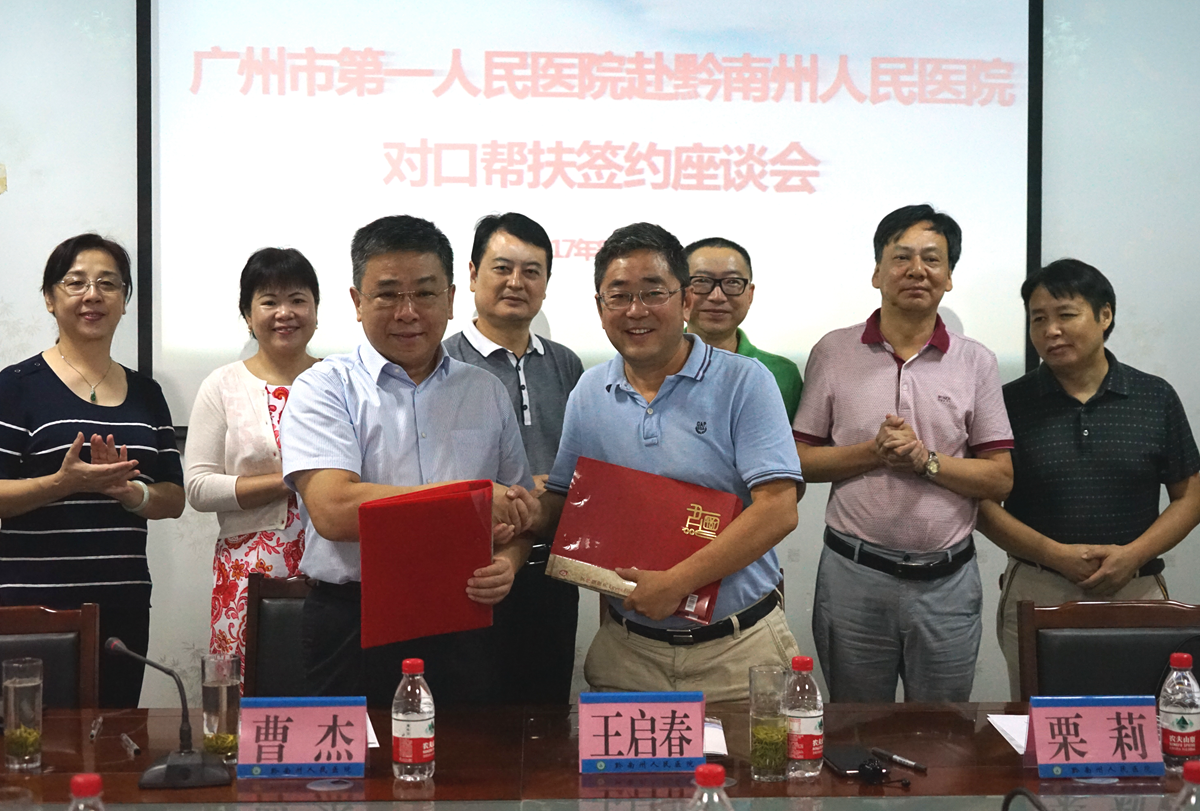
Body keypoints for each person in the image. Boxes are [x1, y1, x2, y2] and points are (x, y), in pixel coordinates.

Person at [527, 222, 805, 702]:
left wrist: (676, 584)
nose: (636, 310)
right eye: (619, 296)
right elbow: (566, 501)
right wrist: (526, 510)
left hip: (737, 651)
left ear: (686, 300)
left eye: (653, 292)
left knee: (755, 757)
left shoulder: (746, 381)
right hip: (628, 653)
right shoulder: (590, 390)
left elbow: (778, 509)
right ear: (600, 307)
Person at [280, 214, 539, 706]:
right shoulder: (324, 387)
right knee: (354, 757)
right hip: (354, 621)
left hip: (465, 617)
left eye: (424, 293)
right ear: (357, 302)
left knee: (469, 753)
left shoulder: (484, 391)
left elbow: (518, 513)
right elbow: (334, 510)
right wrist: (472, 502)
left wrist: (508, 561)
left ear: (451, 298)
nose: (408, 312)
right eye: (387, 295)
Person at [793, 204, 1013, 702]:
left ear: (949, 277)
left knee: (942, 730)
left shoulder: (976, 361)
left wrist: (924, 460)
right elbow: (800, 461)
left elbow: (1000, 478)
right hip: (853, 577)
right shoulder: (833, 351)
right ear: (877, 273)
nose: (917, 270)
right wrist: (875, 453)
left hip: (947, 582)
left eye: (932, 259)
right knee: (856, 724)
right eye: (902, 257)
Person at [978, 258, 1200, 698]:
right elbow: (981, 505)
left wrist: (1133, 555)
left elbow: (1190, 496)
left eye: (1066, 314)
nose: (1051, 330)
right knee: (1043, 724)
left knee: (1140, 722)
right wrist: (1054, 554)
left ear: (1105, 315)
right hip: (1038, 586)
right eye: (1038, 319)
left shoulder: (1154, 396)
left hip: (1136, 587)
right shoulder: (1008, 402)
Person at [0, 234, 185, 707]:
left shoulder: (148, 393)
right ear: (49, 298)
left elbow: (173, 496)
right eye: (76, 282)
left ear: (124, 300)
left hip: (122, 606)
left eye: (108, 283)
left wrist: (133, 494)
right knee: (31, 742)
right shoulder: (15, 387)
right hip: (33, 608)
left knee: (114, 737)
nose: (93, 295)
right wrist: (62, 484)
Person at [443, 212, 583, 705]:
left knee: (546, 717)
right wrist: (533, 487)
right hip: (472, 572)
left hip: (553, 572)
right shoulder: (443, 362)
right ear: (473, 274)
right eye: (502, 268)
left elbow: (581, 472)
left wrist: (546, 489)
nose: (516, 283)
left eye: (532, 271)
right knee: (468, 719)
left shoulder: (566, 364)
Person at [184, 248, 322, 661]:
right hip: (247, 569)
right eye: (269, 301)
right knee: (250, 686)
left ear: (316, 310)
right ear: (247, 314)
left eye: (297, 299)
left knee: (329, 684)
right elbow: (199, 487)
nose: (285, 313)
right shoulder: (222, 385)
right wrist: (290, 481)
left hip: (333, 567)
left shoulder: (342, 381)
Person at [684, 237, 803, 421]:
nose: (717, 296)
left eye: (732, 282)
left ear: (750, 294)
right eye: (701, 281)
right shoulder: (651, 368)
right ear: (680, 291)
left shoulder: (781, 374)